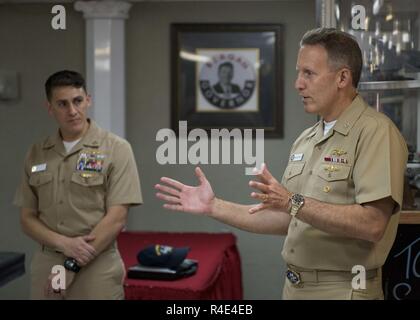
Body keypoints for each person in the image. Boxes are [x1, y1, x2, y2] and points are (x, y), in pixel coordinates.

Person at [155, 28, 408, 300]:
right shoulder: (307, 139)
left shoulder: (375, 132)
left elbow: (372, 225)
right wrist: (214, 206)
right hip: (295, 287)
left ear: (342, 77)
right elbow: (288, 218)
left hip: (345, 290)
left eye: (309, 73)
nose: (298, 83)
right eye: (299, 73)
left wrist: (293, 202)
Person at [14, 70, 143, 299]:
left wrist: (71, 265)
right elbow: (27, 218)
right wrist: (64, 244)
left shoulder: (116, 149)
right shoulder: (37, 153)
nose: (72, 111)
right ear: (49, 108)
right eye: (62, 104)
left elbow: (117, 218)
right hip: (47, 264)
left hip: (97, 267)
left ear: (88, 100)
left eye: (78, 101)